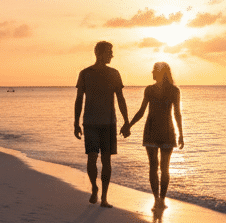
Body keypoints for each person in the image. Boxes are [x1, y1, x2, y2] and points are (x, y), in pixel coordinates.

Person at [73, 41, 130, 208]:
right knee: (92, 158)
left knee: (106, 161)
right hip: (90, 123)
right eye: (109, 52)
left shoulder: (114, 74)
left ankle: (104, 197)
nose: (112, 55)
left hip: (109, 123)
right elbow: (79, 100)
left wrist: (126, 121)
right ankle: (94, 188)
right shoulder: (85, 73)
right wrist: (76, 123)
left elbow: (120, 98)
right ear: (99, 53)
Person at [124, 61, 184, 211]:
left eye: (153, 71)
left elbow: (142, 111)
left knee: (154, 167)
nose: (151, 73)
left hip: (152, 131)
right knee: (164, 168)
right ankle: (161, 200)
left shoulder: (151, 90)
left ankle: (157, 199)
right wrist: (181, 134)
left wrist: (129, 125)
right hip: (167, 131)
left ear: (159, 72)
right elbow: (176, 114)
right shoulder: (173, 90)